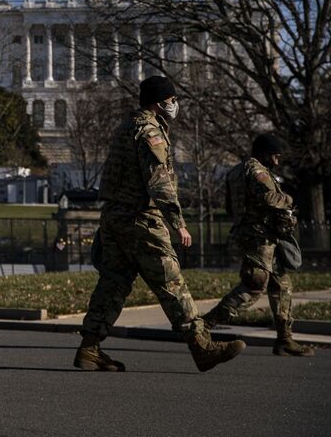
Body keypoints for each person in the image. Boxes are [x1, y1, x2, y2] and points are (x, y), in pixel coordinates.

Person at [75, 75, 244, 373]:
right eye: (173, 99)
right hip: (141, 220)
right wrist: (177, 222)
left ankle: (90, 347)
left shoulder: (125, 126)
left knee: (112, 284)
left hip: (114, 218)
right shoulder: (150, 131)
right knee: (171, 282)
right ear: (160, 101)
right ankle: (202, 347)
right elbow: (158, 180)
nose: (175, 105)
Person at [204, 134, 315, 357]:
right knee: (254, 286)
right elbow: (270, 199)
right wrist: (290, 200)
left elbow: (228, 206)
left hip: (255, 235)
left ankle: (285, 340)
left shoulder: (235, 171)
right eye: (275, 156)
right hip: (259, 238)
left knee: (281, 286)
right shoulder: (257, 171)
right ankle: (203, 326)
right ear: (264, 153)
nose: (277, 161)